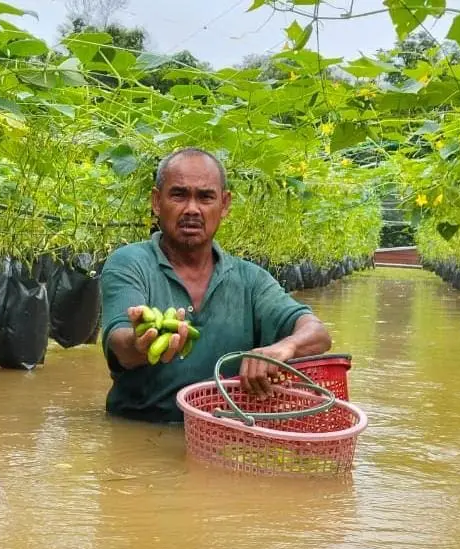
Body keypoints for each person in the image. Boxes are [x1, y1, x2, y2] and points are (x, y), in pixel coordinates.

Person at [99, 147, 332, 422]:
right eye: (179, 194)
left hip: (223, 435)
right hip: (138, 432)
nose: (192, 209)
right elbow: (120, 343)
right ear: (156, 201)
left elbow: (317, 333)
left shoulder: (250, 279)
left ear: (224, 205)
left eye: (205, 197)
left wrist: (283, 348)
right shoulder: (130, 263)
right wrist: (141, 344)